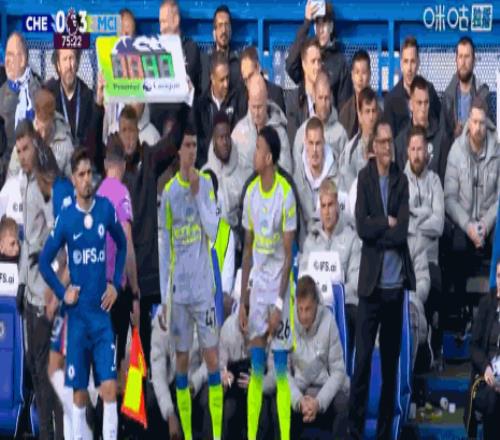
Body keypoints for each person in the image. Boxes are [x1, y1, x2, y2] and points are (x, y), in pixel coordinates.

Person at [39, 148, 127, 440]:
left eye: (90, 173)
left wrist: (115, 284)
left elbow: (122, 244)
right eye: (82, 174)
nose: (87, 179)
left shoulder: (105, 209)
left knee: (109, 388)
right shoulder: (66, 218)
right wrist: (62, 292)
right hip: (77, 320)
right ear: (74, 181)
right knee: (78, 394)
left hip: (101, 318)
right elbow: (44, 262)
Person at [349, 118, 415, 440]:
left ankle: (385, 434)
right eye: (382, 142)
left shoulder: (402, 181)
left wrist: (383, 229)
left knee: (389, 367)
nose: (387, 147)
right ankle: (354, 431)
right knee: (362, 363)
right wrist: (383, 223)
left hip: (394, 288)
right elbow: (362, 227)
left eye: (390, 141)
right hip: (370, 288)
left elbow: (401, 232)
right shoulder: (364, 178)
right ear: (373, 147)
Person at [158, 126, 223, 440]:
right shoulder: (169, 193)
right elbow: (164, 248)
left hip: (203, 292)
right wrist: (164, 297)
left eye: (195, 145)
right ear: (178, 150)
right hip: (180, 295)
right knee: (181, 366)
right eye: (187, 145)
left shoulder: (206, 184)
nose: (192, 150)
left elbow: (214, 232)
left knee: (213, 361)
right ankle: (184, 433)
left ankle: (217, 435)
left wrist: (198, 195)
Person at [239, 126, 297, 440]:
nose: (254, 153)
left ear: (270, 157)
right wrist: (244, 300)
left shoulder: (285, 194)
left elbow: (289, 256)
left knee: (282, 369)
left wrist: (278, 304)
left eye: (259, 148)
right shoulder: (250, 193)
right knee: (257, 366)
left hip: (280, 288)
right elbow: (247, 250)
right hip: (258, 288)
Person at [16, 120, 61, 440]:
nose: (22, 156)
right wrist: (21, 281)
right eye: (18, 151)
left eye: (26, 149)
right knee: (35, 366)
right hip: (30, 291)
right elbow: (28, 240)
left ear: (36, 146)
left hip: (45, 293)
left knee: (47, 374)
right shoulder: (26, 182)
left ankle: (52, 434)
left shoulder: (45, 185)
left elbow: (57, 237)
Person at [444, 96, 500, 334]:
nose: (477, 128)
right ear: (468, 120)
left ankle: (495, 311)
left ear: (487, 123)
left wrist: (485, 224)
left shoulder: (497, 151)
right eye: (474, 122)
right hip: (465, 225)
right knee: (455, 244)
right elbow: (449, 198)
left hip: (489, 224)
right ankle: (460, 313)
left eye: (481, 123)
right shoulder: (456, 151)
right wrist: (468, 225)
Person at [298, 178, 361, 353]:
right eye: (323, 206)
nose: (327, 212)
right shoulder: (311, 240)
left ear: (338, 206)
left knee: (353, 314)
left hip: (343, 304)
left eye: (330, 205)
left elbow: (356, 282)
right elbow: (302, 277)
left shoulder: (351, 238)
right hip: (315, 303)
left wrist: (336, 295)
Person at [96, 141, 140, 373]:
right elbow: (127, 242)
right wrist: (135, 288)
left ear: (105, 165)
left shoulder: (95, 195)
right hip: (116, 289)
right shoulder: (121, 194)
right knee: (118, 359)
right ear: (123, 164)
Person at [290, 275, 349, 438]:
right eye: (300, 309)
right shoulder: (288, 324)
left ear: (316, 304)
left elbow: (338, 372)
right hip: (300, 391)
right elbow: (282, 372)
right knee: (278, 403)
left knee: (344, 403)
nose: (303, 315)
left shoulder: (329, 322)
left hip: (324, 390)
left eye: (308, 309)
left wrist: (318, 402)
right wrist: (298, 401)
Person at [404, 125, 445, 363]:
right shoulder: (399, 182)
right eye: (413, 149)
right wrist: (426, 212)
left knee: (434, 278)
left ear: (426, 151)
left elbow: (439, 225)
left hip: (429, 257)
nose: (417, 154)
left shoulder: (435, 181)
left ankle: (430, 342)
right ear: (407, 152)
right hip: (407, 256)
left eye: (421, 149)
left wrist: (414, 219)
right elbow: (402, 221)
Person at [150, 310, 211, 440]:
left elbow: (210, 362)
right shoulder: (161, 322)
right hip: (170, 384)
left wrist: (194, 383)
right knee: (149, 396)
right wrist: (169, 413)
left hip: (194, 384)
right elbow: (158, 373)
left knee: (210, 393)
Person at [219, 309, 276, 440]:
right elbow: (219, 366)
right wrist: (224, 375)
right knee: (228, 411)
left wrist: (258, 384)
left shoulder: (270, 328)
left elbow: (276, 374)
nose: (246, 330)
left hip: (261, 384)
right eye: (243, 323)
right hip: (234, 385)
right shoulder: (228, 328)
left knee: (262, 414)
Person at [286, 1, 351, 111]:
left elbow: (344, 105)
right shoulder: (309, 56)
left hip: (330, 118)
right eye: (317, 24)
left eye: (324, 24)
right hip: (306, 117)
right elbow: (290, 66)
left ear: (331, 27)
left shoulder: (340, 62)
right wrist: (307, 23)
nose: (321, 30)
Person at [232, 73, 292, 176]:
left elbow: (286, 171)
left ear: (266, 101)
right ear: (248, 103)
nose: (256, 113)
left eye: (259, 107)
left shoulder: (279, 134)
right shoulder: (238, 132)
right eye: (253, 107)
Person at [0, 32, 40, 184]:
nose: (6, 60)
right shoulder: (1, 94)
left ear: (22, 60)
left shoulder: (38, 91)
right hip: (6, 176)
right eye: (6, 55)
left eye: (11, 55)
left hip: (35, 172)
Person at [467, 260, 500, 440]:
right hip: (487, 375)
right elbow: (474, 346)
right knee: (493, 400)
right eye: (499, 276)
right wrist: (486, 368)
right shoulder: (487, 304)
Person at [383, 36, 440, 139]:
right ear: (401, 64)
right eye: (406, 61)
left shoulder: (430, 91)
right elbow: (389, 138)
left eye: (412, 61)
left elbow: (440, 125)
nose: (409, 68)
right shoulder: (391, 100)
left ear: (418, 63)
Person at [394, 75, 449, 182]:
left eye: (426, 102)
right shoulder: (400, 142)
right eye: (419, 103)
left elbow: (445, 179)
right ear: (410, 105)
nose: (423, 108)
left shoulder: (442, 137)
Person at [293, 117, 339, 244]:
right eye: (311, 143)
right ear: (305, 143)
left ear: (324, 142)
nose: (314, 150)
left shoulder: (337, 174)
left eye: (318, 143)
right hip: (303, 247)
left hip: (330, 244)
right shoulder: (296, 176)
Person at [10, 88, 74, 178]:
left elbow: (72, 180)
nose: (43, 134)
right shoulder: (26, 137)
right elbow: (12, 173)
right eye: (40, 126)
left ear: (52, 119)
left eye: (46, 129)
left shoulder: (65, 144)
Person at [293, 69, 348, 173]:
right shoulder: (302, 132)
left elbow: (346, 172)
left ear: (331, 96)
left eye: (326, 98)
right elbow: (296, 171)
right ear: (313, 96)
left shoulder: (341, 134)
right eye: (320, 98)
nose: (323, 103)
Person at [441, 36, 490, 141]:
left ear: (474, 61)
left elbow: (490, 133)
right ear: (456, 60)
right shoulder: (447, 96)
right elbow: (443, 136)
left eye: (467, 56)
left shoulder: (483, 95)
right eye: (460, 56)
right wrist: (454, 134)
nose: (463, 62)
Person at [204, 111, 246, 230]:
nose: (225, 142)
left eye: (227, 137)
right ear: (214, 140)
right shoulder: (204, 175)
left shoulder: (242, 175)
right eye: (221, 137)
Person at [196, 51, 239, 167]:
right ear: (212, 78)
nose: (226, 84)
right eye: (222, 79)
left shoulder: (237, 100)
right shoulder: (201, 105)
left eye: (228, 78)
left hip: (233, 166)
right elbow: (200, 144)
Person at [45, 48, 94, 146]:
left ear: (77, 63)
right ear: (58, 65)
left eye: (71, 58)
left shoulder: (88, 97)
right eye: (64, 59)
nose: (68, 65)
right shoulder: (49, 95)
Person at [340, 86, 378, 194]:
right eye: (367, 111)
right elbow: (350, 190)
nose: (371, 117)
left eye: (374, 111)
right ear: (360, 115)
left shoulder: (387, 145)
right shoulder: (350, 151)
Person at [286, 37, 322, 145]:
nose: (317, 67)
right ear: (304, 64)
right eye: (313, 61)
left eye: (319, 61)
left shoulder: (328, 97)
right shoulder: (293, 99)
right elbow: (293, 139)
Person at [200, 5, 241, 93]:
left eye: (227, 25)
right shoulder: (205, 61)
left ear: (231, 30)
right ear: (214, 32)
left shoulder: (238, 61)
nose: (224, 30)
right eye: (220, 25)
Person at [237, 46, 286, 117]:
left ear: (258, 67)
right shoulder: (241, 98)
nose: (248, 84)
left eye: (250, 76)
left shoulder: (275, 93)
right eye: (245, 79)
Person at [339, 49, 375, 140]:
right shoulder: (345, 113)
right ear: (352, 75)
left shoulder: (379, 110)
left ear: (370, 74)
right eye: (357, 72)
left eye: (364, 73)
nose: (360, 78)